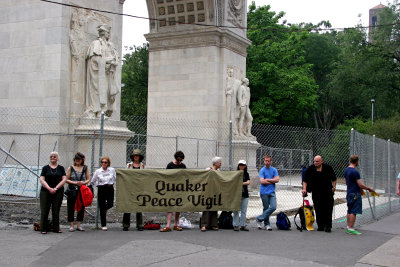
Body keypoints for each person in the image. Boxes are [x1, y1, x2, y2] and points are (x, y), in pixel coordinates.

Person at [85, 24, 119, 118]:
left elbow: (115, 57)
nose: (109, 35)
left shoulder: (110, 45)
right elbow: (94, 59)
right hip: (99, 74)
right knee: (99, 90)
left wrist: (113, 61)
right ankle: (99, 111)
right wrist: (108, 60)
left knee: (109, 92)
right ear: (104, 33)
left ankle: (106, 111)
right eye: (108, 33)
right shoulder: (95, 44)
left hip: (108, 73)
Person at [302, 155, 337, 232]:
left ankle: (328, 226)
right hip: (316, 192)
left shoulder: (328, 168)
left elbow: (334, 179)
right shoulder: (311, 169)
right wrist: (304, 189)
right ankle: (320, 225)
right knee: (318, 208)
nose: (315, 163)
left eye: (317, 161)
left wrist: (334, 187)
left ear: (321, 161)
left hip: (327, 192)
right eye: (314, 161)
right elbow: (305, 180)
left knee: (328, 208)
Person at [344, 155, 374, 235]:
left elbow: (346, 182)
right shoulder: (355, 172)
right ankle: (351, 228)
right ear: (357, 161)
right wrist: (368, 188)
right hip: (355, 193)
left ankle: (348, 227)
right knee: (354, 211)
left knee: (349, 209)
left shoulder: (346, 170)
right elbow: (360, 184)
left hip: (349, 192)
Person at [39, 152, 67, 234]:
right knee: (44, 210)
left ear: (57, 158)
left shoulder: (61, 168)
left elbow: (64, 179)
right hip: (45, 191)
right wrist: (49, 188)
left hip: (58, 192)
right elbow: (41, 179)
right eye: (51, 156)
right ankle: (43, 228)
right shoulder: (45, 168)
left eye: (54, 156)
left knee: (56, 210)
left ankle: (56, 228)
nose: (53, 158)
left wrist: (56, 188)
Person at [160, 151, 186, 232]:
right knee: (170, 206)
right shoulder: (170, 165)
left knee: (178, 206)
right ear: (175, 158)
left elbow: (185, 176)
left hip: (179, 188)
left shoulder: (183, 166)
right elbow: (166, 176)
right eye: (178, 160)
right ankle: (168, 225)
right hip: (170, 188)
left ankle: (175, 224)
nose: (179, 162)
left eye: (181, 160)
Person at [66, 152, 90, 232]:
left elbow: (88, 178)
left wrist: (83, 182)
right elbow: (66, 179)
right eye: (76, 159)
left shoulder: (85, 168)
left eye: (79, 159)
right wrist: (75, 182)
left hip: (81, 190)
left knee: (81, 207)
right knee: (71, 206)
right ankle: (71, 225)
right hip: (72, 189)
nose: (77, 161)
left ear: (82, 160)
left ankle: (79, 225)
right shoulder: (71, 168)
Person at [91, 156, 116, 231]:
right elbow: (93, 181)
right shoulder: (98, 171)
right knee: (102, 206)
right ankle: (103, 224)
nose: (104, 163)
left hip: (109, 188)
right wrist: (97, 185)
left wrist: (112, 184)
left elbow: (114, 178)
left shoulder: (111, 170)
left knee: (110, 203)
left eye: (105, 162)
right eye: (102, 162)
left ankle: (104, 210)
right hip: (101, 188)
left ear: (108, 163)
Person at [123, 149, 145, 231]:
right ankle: (125, 224)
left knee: (139, 206)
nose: (136, 157)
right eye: (135, 155)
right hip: (129, 188)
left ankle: (139, 224)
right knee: (127, 206)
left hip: (139, 188)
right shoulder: (128, 165)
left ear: (140, 157)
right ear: (133, 157)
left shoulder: (142, 166)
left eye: (137, 155)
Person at [256, 155, 279, 231]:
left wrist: (267, 180)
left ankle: (259, 218)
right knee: (266, 208)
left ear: (271, 161)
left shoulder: (274, 170)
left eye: (268, 161)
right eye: (266, 160)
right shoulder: (262, 170)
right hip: (264, 192)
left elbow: (277, 180)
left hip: (272, 192)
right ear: (264, 161)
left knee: (273, 207)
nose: (267, 162)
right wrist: (272, 180)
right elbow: (262, 181)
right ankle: (267, 224)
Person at [201, 156, 222, 232]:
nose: (221, 164)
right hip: (207, 191)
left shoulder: (219, 171)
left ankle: (214, 224)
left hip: (215, 191)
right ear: (215, 163)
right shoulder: (208, 170)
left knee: (214, 207)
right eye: (220, 163)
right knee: (206, 207)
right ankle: (204, 225)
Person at [232, 160, 251, 231]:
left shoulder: (246, 174)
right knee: (236, 210)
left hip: (245, 194)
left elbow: (248, 182)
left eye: (242, 165)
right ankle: (235, 225)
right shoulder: (236, 173)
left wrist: (241, 183)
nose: (241, 166)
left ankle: (242, 225)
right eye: (240, 165)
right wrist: (244, 183)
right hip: (237, 194)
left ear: (245, 166)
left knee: (243, 210)